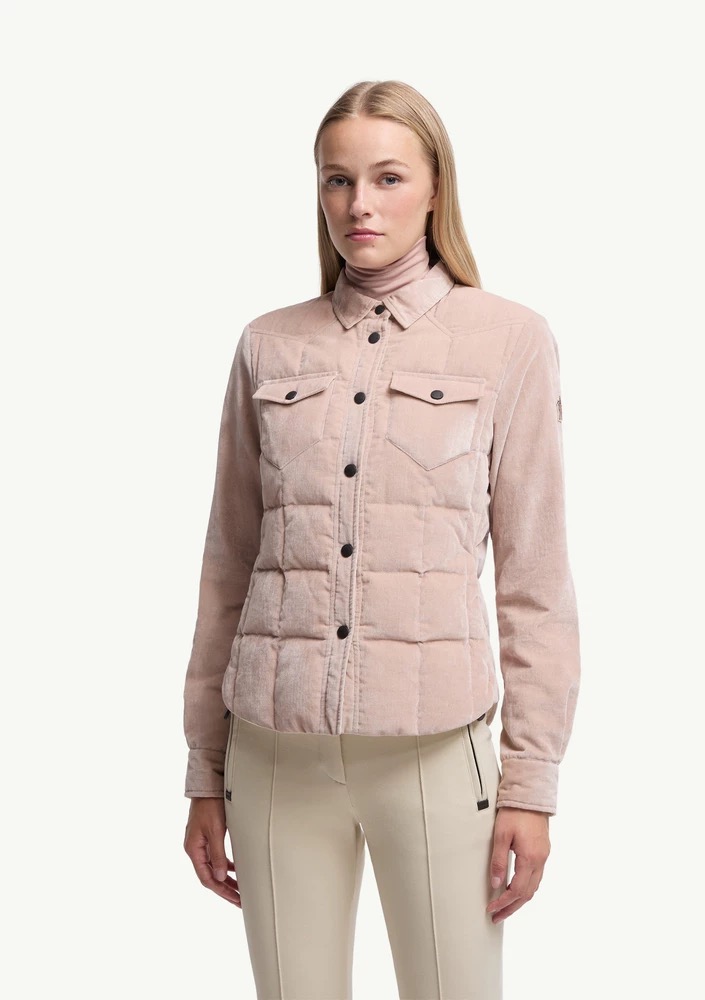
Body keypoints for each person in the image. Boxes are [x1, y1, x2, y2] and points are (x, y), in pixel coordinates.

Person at [182, 79, 581, 1000]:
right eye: (338, 180)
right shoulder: (268, 345)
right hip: (272, 754)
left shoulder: (509, 340)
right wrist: (205, 766)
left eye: (388, 177)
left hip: (436, 755)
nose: (359, 204)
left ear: (436, 188)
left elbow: (536, 582)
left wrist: (531, 783)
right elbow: (226, 568)